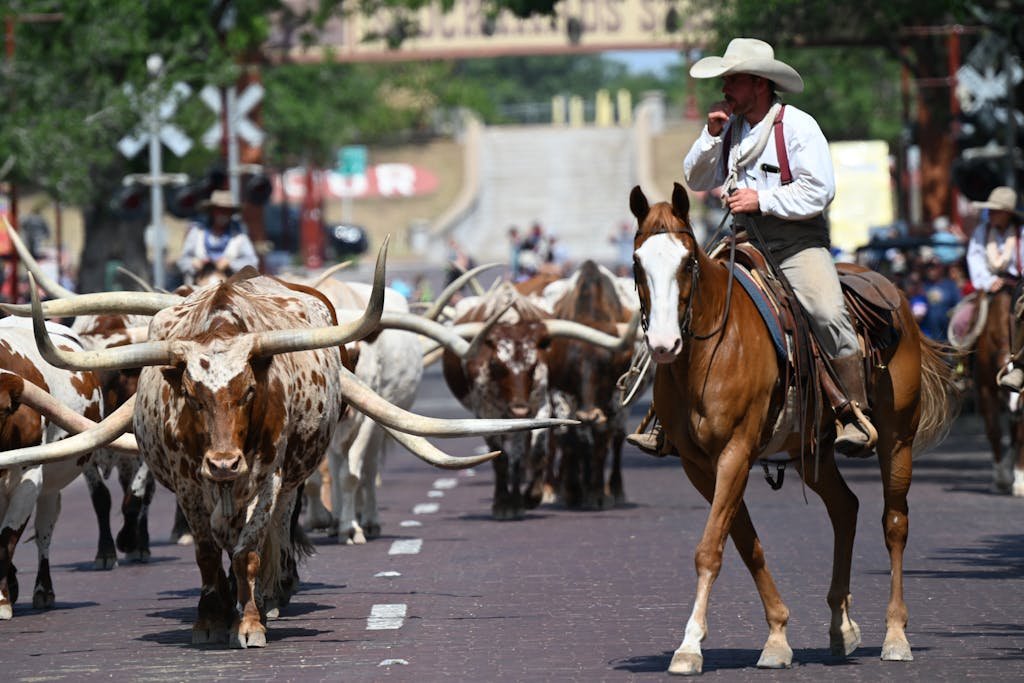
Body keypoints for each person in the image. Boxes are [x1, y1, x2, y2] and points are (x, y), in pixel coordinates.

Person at [674, 37, 874, 456]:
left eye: (733, 79)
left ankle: (854, 412)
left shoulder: (798, 126)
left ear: (759, 84)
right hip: (743, 241)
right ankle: (664, 414)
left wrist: (762, 200)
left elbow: (820, 191)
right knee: (682, 293)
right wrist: (711, 136)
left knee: (826, 310)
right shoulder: (726, 128)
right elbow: (696, 179)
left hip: (796, 244)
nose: (725, 87)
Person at [965, 186, 1024, 390]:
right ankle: (964, 364)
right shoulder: (982, 231)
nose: (990, 213)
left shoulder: (1020, 232)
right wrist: (988, 280)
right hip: (989, 286)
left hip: (1018, 284)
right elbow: (975, 258)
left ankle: (1019, 365)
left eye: (995, 210)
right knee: (964, 317)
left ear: (1007, 213)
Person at [177, 190, 258, 285]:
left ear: (231, 213)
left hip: (230, 290)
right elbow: (182, 260)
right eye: (219, 210)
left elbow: (252, 262)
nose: (223, 214)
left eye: (226, 211)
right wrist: (193, 263)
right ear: (212, 211)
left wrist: (230, 264)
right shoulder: (197, 232)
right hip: (198, 287)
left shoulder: (239, 236)